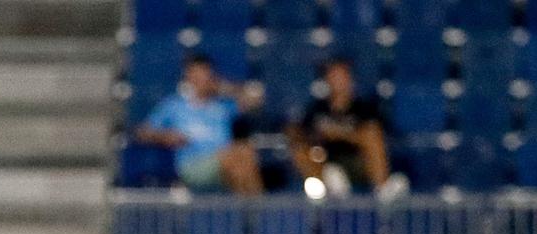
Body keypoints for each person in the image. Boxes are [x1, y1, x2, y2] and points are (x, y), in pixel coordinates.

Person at [137, 54, 264, 195]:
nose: (201, 80)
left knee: (243, 157)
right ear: (188, 77)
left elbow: (255, 100)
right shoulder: (174, 105)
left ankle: (250, 208)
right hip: (192, 165)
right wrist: (165, 136)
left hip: (225, 162)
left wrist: (224, 87)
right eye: (196, 75)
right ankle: (255, 212)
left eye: (205, 75)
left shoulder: (223, 105)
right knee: (239, 155)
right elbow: (142, 132)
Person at [286, 57, 392, 196]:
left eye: (342, 76)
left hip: (357, 161)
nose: (338, 81)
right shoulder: (317, 109)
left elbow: (374, 134)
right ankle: (321, 194)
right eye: (333, 76)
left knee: (372, 136)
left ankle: (382, 192)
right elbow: (303, 133)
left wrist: (340, 134)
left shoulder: (365, 109)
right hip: (325, 162)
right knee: (300, 150)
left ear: (350, 79)